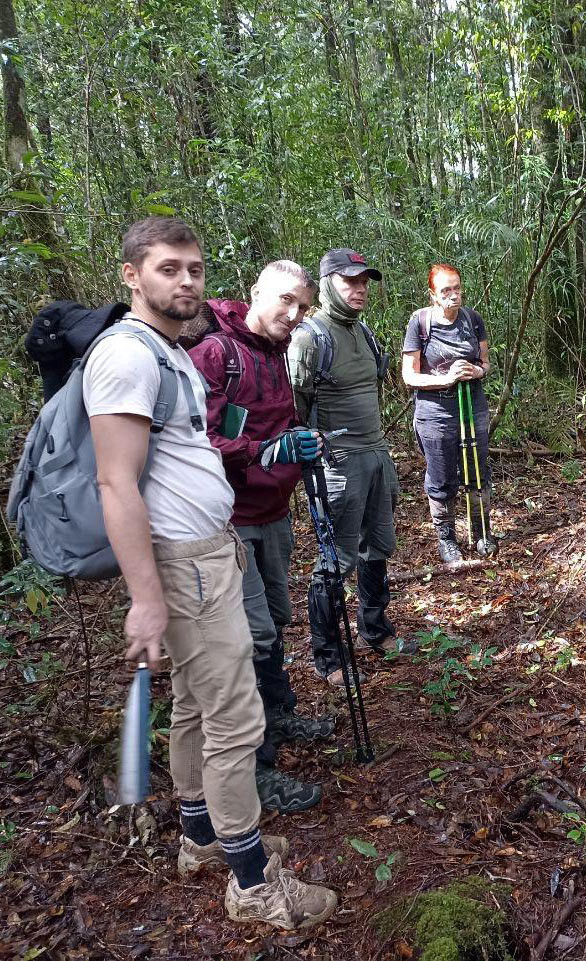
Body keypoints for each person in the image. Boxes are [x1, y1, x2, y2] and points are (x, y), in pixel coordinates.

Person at [86, 217, 335, 927]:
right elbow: (115, 483)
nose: (186, 280)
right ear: (132, 275)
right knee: (235, 718)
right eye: (169, 268)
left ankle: (202, 838)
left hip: (209, 549)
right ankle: (254, 884)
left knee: (197, 705)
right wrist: (145, 598)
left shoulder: (169, 352)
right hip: (183, 560)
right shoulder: (127, 356)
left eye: (194, 268)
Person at [188, 261, 336, 814]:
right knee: (245, 639)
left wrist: (297, 440)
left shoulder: (276, 353)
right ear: (256, 293)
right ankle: (255, 767)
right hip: (229, 522)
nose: (294, 315)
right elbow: (193, 440)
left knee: (274, 622)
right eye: (285, 302)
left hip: (274, 511)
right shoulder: (216, 353)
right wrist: (260, 452)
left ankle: (278, 713)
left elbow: (271, 425)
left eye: (302, 306)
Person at [287, 248, 403, 685]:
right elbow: (297, 413)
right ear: (328, 284)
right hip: (338, 466)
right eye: (350, 281)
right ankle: (329, 656)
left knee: (379, 547)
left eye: (364, 282)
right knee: (335, 560)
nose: (360, 289)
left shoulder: (365, 333)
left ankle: (375, 628)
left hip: (376, 456)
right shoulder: (310, 338)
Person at [401, 263, 493, 569]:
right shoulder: (420, 323)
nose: (453, 295)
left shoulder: (472, 319)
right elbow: (409, 376)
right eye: (445, 291)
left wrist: (476, 370)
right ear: (433, 295)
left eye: (457, 288)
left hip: (473, 404)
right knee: (441, 476)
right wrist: (445, 379)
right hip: (435, 411)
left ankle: (482, 533)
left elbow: (485, 362)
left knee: (478, 470)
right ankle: (447, 538)